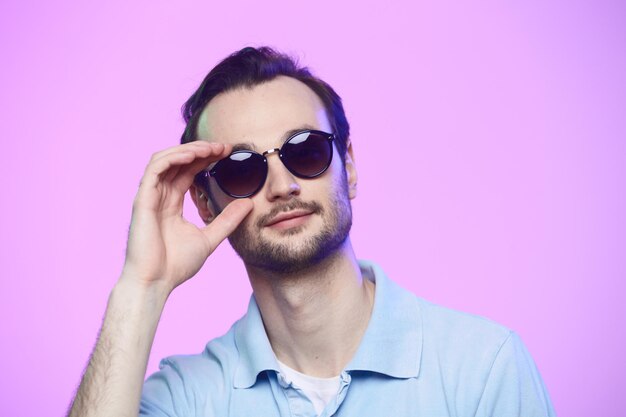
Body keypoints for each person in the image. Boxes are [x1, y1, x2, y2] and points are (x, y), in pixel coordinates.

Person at [68, 46, 556, 417]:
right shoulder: (187, 396)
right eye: (243, 169)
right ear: (205, 201)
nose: (282, 186)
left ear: (349, 165)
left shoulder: (483, 367)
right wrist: (142, 288)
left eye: (305, 152)